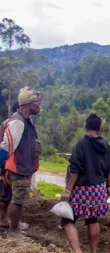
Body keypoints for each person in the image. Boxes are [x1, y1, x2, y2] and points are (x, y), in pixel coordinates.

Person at [61, 114, 110, 253]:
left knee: (67, 220)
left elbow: (74, 170)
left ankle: (77, 251)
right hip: (98, 189)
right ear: (99, 127)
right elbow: (109, 168)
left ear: (86, 125)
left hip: (81, 189)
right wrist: (108, 186)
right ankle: (92, 251)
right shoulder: (105, 145)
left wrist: (68, 190)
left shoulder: (81, 144)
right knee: (92, 220)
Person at [0, 87, 42, 242]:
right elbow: (6, 146)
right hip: (19, 168)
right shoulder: (18, 122)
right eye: (36, 103)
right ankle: (13, 231)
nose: (39, 105)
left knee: (15, 199)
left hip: (21, 166)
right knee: (17, 201)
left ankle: (13, 225)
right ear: (28, 103)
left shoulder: (25, 120)